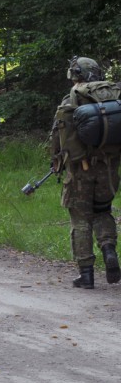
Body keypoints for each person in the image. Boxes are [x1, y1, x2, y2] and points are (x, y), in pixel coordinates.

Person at [50, 56, 121, 289]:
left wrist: (56, 160)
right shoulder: (113, 95)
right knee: (103, 211)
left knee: (80, 219)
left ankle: (87, 274)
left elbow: (58, 136)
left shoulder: (71, 98)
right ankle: (109, 251)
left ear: (75, 75)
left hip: (80, 170)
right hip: (109, 167)